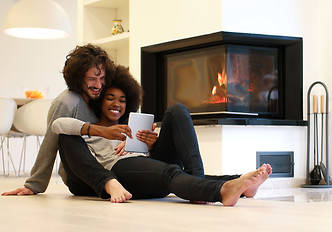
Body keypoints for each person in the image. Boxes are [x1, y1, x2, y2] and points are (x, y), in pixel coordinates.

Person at [52, 65, 272, 205]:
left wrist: (152, 146)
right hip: (119, 173)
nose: (116, 104)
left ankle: (239, 184)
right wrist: (103, 132)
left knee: (177, 111)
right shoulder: (88, 132)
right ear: (100, 101)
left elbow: (151, 162)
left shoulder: (132, 127)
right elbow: (58, 124)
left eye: (122, 100)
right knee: (171, 172)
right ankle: (221, 190)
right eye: (110, 97)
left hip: (148, 170)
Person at [2, 44, 116, 196]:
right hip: (80, 175)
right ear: (78, 77)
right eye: (92, 79)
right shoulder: (66, 102)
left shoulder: (104, 96)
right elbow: (50, 142)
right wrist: (34, 184)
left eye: (102, 78)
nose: (98, 85)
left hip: (109, 165)